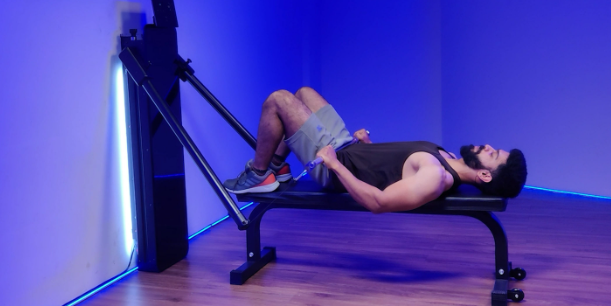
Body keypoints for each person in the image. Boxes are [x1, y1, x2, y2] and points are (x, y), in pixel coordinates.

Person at [223, 87, 527, 213]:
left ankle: (259, 174)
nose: (487, 146)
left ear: (485, 175)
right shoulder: (446, 157)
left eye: (492, 154)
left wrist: (335, 166)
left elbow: (379, 203)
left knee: (279, 100)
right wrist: (369, 148)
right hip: (347, 148)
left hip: (335, 167)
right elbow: (390, 168)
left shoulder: (437, 177)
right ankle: (277, 166)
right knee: (304, 93)